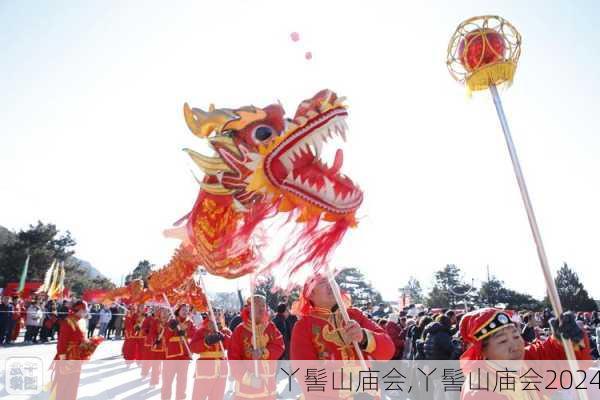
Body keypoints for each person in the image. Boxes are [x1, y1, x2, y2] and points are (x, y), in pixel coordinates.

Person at [290, 274, 395, 361]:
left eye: (332, 280)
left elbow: (388, 350)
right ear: (310, 294)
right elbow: (304, 372)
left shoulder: (355, 315)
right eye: (323, 282)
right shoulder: (303, 326)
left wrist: (363, 336)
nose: (331, 285)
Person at [229, 295, 284, 400]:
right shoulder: (240, 330)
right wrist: (248, 379)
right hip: (247, 390)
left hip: (268, 388)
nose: (261, 308)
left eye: (263, 305)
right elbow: (233, 359)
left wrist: (264, 352)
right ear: (249, 308)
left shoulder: (270, 327)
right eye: (257, 305)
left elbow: (279, 346)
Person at [52, 300, 102, 400]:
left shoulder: (82, 321)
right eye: (84, 310)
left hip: (77, 356)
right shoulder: (68, 321)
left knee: (74, 381)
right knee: (64, 382)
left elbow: (82, 338)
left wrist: (93, 342)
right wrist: (62, 358)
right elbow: (62, 341)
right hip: (67, 356)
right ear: (79, 310)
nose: (86, 312)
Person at [190, 309, 231, 400]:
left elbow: (233, 346)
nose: (216, 316)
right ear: (208, 316)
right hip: (205, 368)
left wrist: (224, 337)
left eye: (218, 314)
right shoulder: (201, 331)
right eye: (213, 313)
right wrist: (206, 342)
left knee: (217, 396)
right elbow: (192, 347)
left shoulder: (226, 331)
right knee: (199, 396)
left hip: (221, 369)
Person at [161, 303, 196, 400]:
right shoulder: (171, 322)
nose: (185, 312)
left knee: (182, 382)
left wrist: (186, 333)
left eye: (186, 310)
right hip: (171, 356)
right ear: (178, 311)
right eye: (183, 309)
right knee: (167, 381)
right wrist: (171, 329)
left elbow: (194, 336)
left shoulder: (190, 323)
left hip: (184, 356)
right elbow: (165, 337)